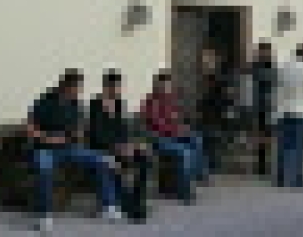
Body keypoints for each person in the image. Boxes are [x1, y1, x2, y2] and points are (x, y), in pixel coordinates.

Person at [26, 69, 124, 232]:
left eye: (80, 88)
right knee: (44, 168)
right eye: (77, 87)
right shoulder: (45, 101)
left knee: (103, 159)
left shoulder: (75, 104)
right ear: (66, 86)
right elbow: (30, 128)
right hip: (45, 148)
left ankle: (109, 206)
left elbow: (79, 127)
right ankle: (44, 216)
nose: (79, 91)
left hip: (68, 147)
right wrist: (47, 138)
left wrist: (77, 134)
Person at [87, 69, 152, 222]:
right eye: (115, 87)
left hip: (120, 147)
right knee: (115, 164)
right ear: (106, 86)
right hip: (102, 147)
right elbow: (97, 134)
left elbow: (123, 130)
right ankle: (129, 204)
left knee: (143, 156)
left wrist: (132, 145)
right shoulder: (95, 104)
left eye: (119, 86)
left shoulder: (120, 104)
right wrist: (117, 147)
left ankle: (138, 199)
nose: (118, 90)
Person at [140, 72, 209, 204]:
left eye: (168, 86)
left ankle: (199, 175)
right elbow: (158, 124)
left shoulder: (170, 101)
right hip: (159, 139)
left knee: (196, 139)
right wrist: (176, 130)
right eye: (163, 86)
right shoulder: (151, 102)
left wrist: (183, 128)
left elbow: (177, 119)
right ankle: (185, 191)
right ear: (157, 86)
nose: (166, 88)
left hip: (174, 135)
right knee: (185, 152)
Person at [274, 43, 303, 188]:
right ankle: (296, 178)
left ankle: (281, 177)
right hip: (300, 111)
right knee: (298, 146)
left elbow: (277, 89)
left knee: (283, 145)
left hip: (282, 111)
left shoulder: (283, 68)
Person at [196, 49, 236, 173]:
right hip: (209, 115)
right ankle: (210, 165)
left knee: (213, 140)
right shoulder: (208, 78)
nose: (205, 63)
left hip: (216, 114)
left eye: (208, 60)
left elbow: (227, 96)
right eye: (204, 60)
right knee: (209, 140)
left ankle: (212, 165)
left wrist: (227, 111)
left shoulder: (222, 77)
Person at [248, 42, 279, 177]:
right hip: (259, 106)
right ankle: (261, 164)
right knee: (260, 136)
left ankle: (267, 163)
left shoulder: (272, 66)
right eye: (263, 51)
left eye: (267, 51)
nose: (266, 54)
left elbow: (275, 82)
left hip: (270, 106)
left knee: (268, 136)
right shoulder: (256, 66)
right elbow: (260, 79)